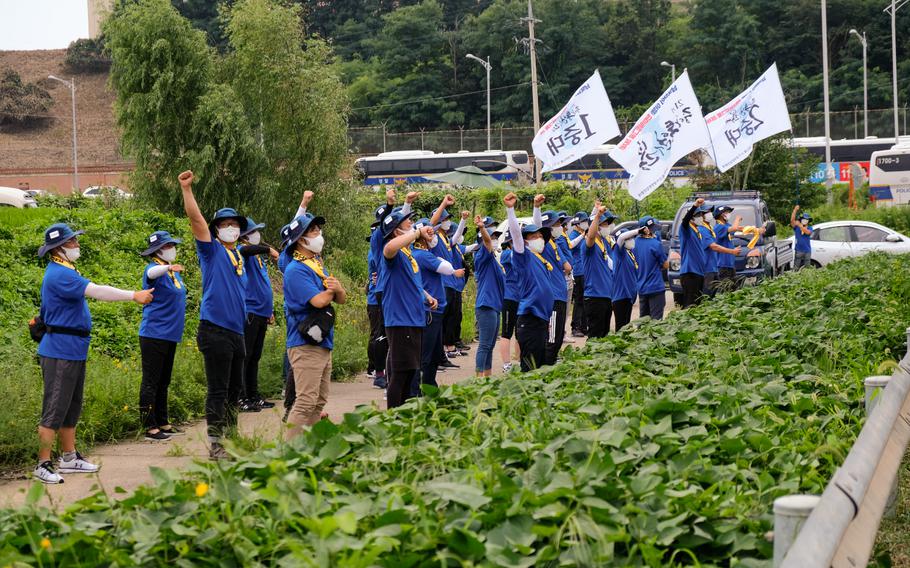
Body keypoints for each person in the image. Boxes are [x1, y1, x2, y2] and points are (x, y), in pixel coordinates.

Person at [33, 223, 153, 484]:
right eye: (72, 242)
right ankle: (43, 463)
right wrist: (134, 295)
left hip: (73, 349)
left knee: (70, 407)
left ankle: (68, 457)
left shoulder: (67, 269)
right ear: (59, 249)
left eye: (76, 240)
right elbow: (97, 291)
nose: (77, 245)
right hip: (60, 350)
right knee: (54, 408)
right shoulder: (59, 275)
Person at [177, 170, 249, 460]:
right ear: (216, 229)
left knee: (235, 391)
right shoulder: (211, 251)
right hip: (215, 329)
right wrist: (187, 190)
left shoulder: (238, 254)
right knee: (218, 390)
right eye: (224, 224)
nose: (230, 228)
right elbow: (196, 220)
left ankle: (232, 438)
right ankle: (217, 443)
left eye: (234, 224)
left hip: (237, 332)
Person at [283, 213, 346, 438]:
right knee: (305, 401)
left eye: (319, 230)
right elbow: (319, 300)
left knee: (318, 401)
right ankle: (288, 452)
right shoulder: (296, 270)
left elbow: (342, 298)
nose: (319, 235)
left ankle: (309, 446)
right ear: (301, 239)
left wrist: (336, 289)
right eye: (314, 231)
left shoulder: (316, 264)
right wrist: (333, 289)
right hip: (305, 343)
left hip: (322, 341)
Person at [381, 208, 438, 407]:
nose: (412, 225)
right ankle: (394, 416)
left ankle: (406, 413)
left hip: (414, 319)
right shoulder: (394, 253)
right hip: (400, 320)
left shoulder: (408, 254)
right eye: (408, 223)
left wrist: (426, 296)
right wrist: (416, 233)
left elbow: (413, 282)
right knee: (400, 373)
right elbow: (388, 248)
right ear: (397, 231)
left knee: (412, 371)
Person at [138, 230, 187, 441]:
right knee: (151, 380)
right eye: (167, 246)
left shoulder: (173, 273)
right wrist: (167, 267)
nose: (172, 249)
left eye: (171, 246)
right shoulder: (154, 270)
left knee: (164, 380)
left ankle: (163, 421)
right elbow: (151, 274)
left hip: (170, 334)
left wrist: (170, 269)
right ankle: (149, 426)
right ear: (157, 251)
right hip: (154, 334)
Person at [411, 218, 463, 395]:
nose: (435, 237)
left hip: (436, 310)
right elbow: (447, 268)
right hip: (429, 311)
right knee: (425, 354)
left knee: (433, 354)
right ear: (422, 237)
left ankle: (430, 386)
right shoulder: (422, 255)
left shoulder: (424, 253)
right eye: (431, 233)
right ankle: (417, 390)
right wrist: (441, 258)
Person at [504, 192, 554, 372]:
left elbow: (537, 226)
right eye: (534, 237)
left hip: (541, 319)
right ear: (525, 242)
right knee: (530, 369)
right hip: (530, 319)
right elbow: (517, 235)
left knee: (539, 366)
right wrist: (510, 209)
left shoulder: (539, 257)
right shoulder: (523, 256)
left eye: (541, 236)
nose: (539, 239)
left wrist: (537, 207)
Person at [238, 217, 280, 412]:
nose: (257, 235)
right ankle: (241, 397)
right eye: (254, 232)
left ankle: (254, 395)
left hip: (262, 312)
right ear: (245, 235)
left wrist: (269, 310)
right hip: (251, 312)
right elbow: (245, 249)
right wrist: (267, 248)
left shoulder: (258, 257)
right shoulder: (243, 252)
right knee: (245, 357)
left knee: (255, 357)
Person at [532, 197, 572, 365]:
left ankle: (552, 362)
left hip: (561, 295)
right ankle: (546, 369)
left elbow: (567, 266)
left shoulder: (555, 244)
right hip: (553, 297)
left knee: (557, 338)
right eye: (555, 225)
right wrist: (537, 207)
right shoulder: (546, 242)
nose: (559, 227)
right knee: (552, 338)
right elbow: (537, 224)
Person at [472, 215, 505, 377]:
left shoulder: (493, 259)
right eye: (493, 238)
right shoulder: (482, 256)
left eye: (496, 237)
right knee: (485, 345)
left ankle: (487, 377)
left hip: (494, 306)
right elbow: (486, 242)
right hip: (486, 306)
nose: (494, 240)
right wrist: (482, 228)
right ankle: (479, 380)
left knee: (490, 345)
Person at [584, 204, 617, 338]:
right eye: (604, 224)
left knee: (604, 334)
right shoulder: (589, 244)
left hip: (606, 296)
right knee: (595, 336)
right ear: (596, 226)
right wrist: (597, 216)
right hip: (595, 297)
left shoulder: (604, 242)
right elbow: (590, 236)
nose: (607, 227)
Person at [634, 216, 669, 320]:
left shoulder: (634, 243)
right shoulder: (655, 244)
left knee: (643, 320)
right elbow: (665, 264)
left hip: (641, 287)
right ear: (647, 230)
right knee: (656, 321)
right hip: (655, 287)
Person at [498, 231, 520, 372]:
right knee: (507, 332)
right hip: (510, 297)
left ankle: (519, 360)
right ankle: (506, 364)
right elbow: (514, 257)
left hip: (522, 297)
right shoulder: (506, 253)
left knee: (521, 332)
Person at [611, 227, 641, 331]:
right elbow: (620, 238)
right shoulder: (620, 253)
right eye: (629, 238)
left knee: (627, 328)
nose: (632, 240)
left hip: (629, 297)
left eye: (632, 238)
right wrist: (638, 230)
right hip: (621, 297)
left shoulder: (630, 253)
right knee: (621, 329)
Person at [712, 206, 745, 292]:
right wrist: (737, 219)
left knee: (733, 290)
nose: (729, 214)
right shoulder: (718, 227)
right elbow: (734, 228)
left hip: (730, 264)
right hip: (723, 265)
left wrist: (756, 230)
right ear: (721, 215)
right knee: (725, 291)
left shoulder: (725, 225)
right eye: (727, 212)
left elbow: (738, 228)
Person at [568, 212, 589, 337]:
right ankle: (575, 327)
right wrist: (582, 235)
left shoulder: (584, 234)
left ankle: (584, 326)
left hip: (585, 271)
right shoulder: (574, 234)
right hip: (578, 271)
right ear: (577, 223)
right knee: (579, 300)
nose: (585, 223)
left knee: (585, 300)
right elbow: (571, 245)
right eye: (583, 221)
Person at [792, 205, 813, 270]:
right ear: (801, 220)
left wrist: (800, 226)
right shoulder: (796, 227)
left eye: (806, 219)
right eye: (803, 219)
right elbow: (792, 220)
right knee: (796, 268)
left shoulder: (810, 227)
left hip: (807, 251)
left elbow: (808, 232)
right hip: (798, 250)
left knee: (807, 268)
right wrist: (795, 210)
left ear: (808, 221)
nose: (805, 220)